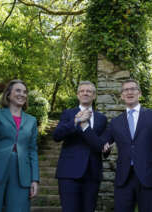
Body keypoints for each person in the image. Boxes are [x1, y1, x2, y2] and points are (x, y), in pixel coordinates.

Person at [80, 79, 152, 212]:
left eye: (133, 89)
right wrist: (85, 126)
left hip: (150, 178)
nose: (129, 92)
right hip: (123, 179)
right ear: (121, 95)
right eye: (125, 90)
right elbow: (100, 144)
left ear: (139, 93)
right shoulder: (116, 122)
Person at [0, 79, 39, 212]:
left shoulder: (32, 121)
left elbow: (32, 150)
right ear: (8, 94)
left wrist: (35, 179)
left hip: (22, 172)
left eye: (24, 92)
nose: (22, 94)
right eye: (18, 90)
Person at [52, 81, 108, 212]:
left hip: (92, 174)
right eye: (82, 91)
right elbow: (56, 136)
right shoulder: (68, 114)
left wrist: (85, 127)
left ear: (94, 95)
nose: (85, 93)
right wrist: (76, 121)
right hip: (69, 173)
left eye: (89, 91)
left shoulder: (102, 119)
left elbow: (101, 146)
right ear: (77, 95)